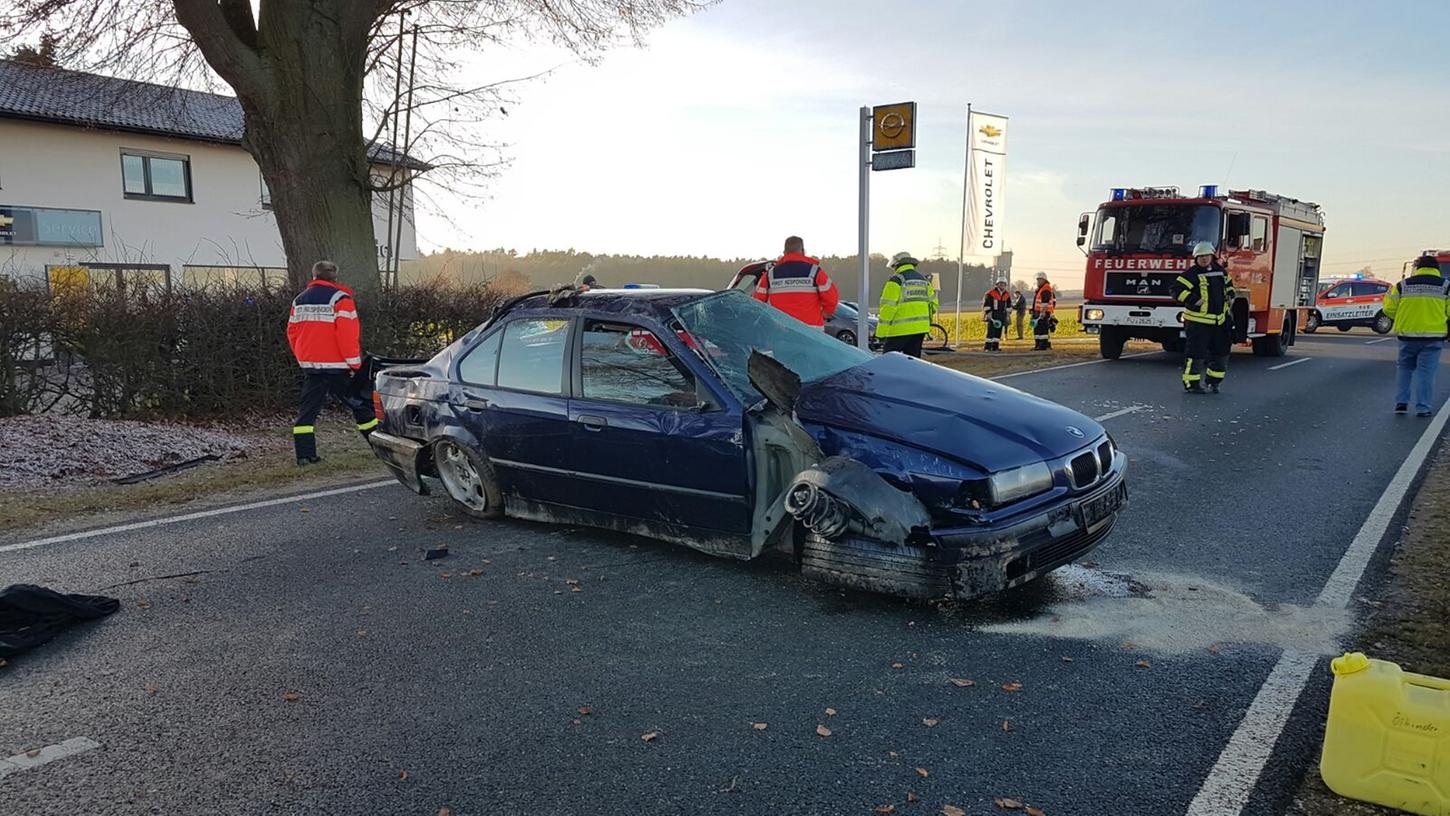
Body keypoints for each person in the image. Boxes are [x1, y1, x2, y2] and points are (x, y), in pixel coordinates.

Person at [286, 260, 378, 465]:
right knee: (361, 407)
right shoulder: (341, 299)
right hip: (337, 367)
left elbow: (292, 333)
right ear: (335, 278)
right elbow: (347, 336)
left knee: (307, 412)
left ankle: (304, 455)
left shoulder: (299, 301)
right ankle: (380, 447)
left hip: (311, 366)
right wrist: (356, 365)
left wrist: (303, 357)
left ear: (314, 276)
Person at [1383, 255, 1450, 417]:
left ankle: (1401, 403)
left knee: (1404, 369)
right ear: (1437, 269)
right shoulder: (1446, 287)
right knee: (1426, 373)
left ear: (1417, 268)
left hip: (1407, 336)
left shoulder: (1402, 286)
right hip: (1433, 338)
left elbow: (1388, 309)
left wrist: (1404, 317)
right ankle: (1423, 408)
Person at [1173, 242, 1236, 393]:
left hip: (1219, 321)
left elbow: (1228, 285)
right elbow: (1176, 290)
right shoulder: (1191, 274)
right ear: (1196, 258)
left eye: (1206, 256)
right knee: (1196, 354)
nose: (1204, 259)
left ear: (1212, 256)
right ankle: (1192, 384)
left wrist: (1231, 295)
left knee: (1221, 353)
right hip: (1197, 323)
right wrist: (1193, 299)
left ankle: (1214, 382)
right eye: (1200, 257)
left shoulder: (1220, 271)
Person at [752, 236, 839, 328]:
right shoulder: (815, 272)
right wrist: (824, 314)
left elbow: (757, 303)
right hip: (812, 333)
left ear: (784, 253)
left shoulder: (770, 275)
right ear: (803, 251)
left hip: (780, 332)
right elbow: (832, 298)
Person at [876, 252, 937, 357]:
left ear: (897, 265)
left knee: (888, 361)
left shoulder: (896, 281)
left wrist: (880, 333)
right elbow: (933, 304)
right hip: (920, 329)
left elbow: (888, 308)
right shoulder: (924, 281)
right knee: (913, 363)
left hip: (898, 331)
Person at [982, 279, 1012, 352]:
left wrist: (1008, 315)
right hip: (993, 314)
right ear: (997, 284)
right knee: (991, 331)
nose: (1002, 285)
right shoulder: (990, 293)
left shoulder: (1007, 295)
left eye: (1004, 284)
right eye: (1000, 283)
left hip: (1002, 314)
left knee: (998, 331)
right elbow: (986, 305)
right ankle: (987, 347)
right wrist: (988, 313)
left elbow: (1009, 306)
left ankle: (995, 347)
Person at [1031, 272, 1057, 350]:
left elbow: (1045, 302)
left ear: (1044, 280)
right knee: (1037, 329)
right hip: (1038, 312)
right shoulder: (1041, 288)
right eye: (1037, 280)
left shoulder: (1046, 288)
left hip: (1043, 312)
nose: (1038, 281)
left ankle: (1042, 345)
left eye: (1039, 279)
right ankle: (1038, 345)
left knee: (1042, 329)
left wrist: (1042, 313)